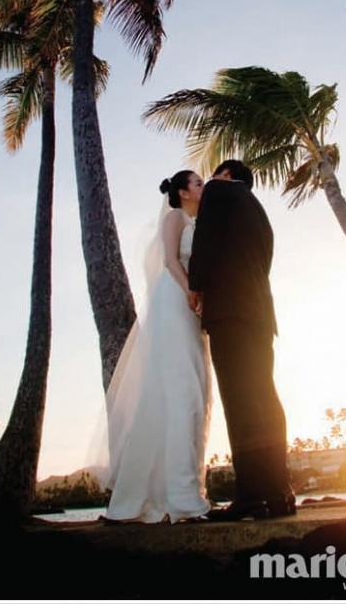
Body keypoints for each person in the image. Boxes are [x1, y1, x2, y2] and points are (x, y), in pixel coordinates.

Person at [90, 170, 212, 524]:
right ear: (184, 192)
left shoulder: (196, 221)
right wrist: (191, 292)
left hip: (189, 304)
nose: (203, 188)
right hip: (175, 300)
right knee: (182, 391)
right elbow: (172, 261)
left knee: (188, 392)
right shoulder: (175, 218)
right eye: (199, 183)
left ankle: (179, 491)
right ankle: (182, 496)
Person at [188, 160, 296, 521]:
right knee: (265, 398)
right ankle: (279, 492)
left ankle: (251, 495)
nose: (209, 183)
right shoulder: (259, 213)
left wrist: (196, 284)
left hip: (230, 312)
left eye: (214, 176)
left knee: (239, 403)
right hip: (261, 314)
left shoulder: (220, 191)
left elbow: (204, 239)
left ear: (227, 175)